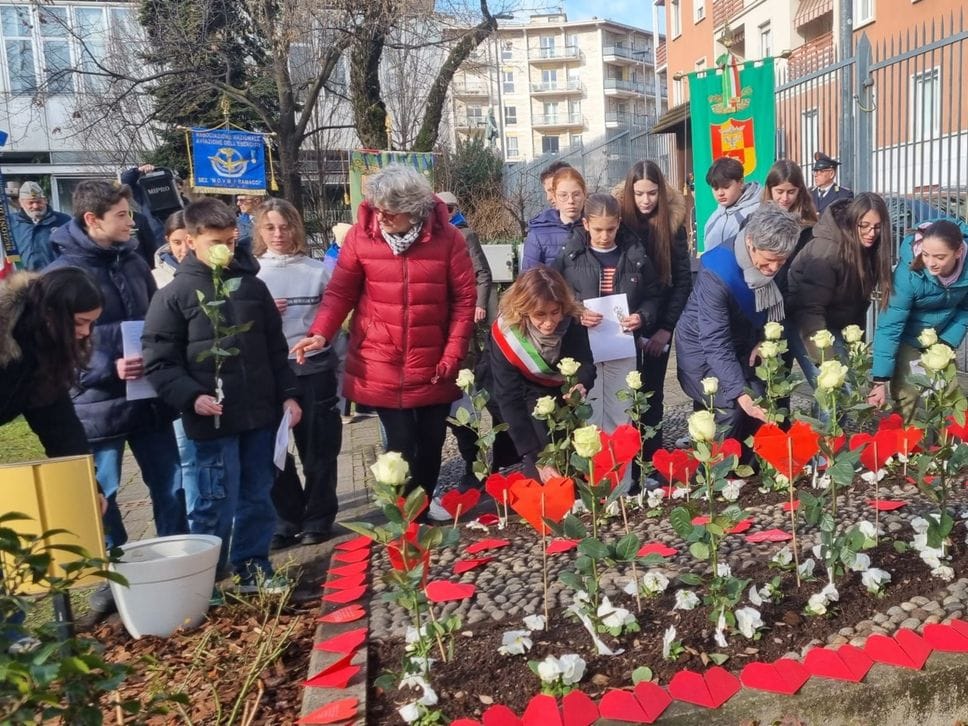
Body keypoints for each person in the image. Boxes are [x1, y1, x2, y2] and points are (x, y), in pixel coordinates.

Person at [291, 165, 476, 511]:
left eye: (391, 211)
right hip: (381, 357)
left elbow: (464, 301)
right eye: (378, 209)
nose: (383, 217)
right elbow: (340, 293)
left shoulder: (448, 239)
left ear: (415, 209)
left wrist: (453, 354)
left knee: (432, 439)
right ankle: (405, 509)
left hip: (434, 356)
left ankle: (422, 501)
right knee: (402, 441)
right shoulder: (361, 238)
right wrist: (320, 333)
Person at [142, 197, 302, 590]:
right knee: (213, 500)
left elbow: (274, 349)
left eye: (231, 241)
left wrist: (288, 393)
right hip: (210, 420)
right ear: (192, 239)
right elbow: (160, 360)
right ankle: (206, 579)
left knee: (257, 495)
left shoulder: (252, 287)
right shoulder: (174, 296)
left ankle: (252, 565)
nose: (225, 249)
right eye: (216, 241)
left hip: (259, 416)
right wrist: (191, 396)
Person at [46, 181, 186, 550]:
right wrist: (107, 370)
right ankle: (114, 571)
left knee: (171, 484)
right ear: (93, 219)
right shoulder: (60, 276)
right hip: (97, 407)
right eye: (122, 215)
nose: (130, 223)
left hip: (148, 399)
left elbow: (157, 320)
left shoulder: (135, 262)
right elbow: (52, 350)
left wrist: (159, 360)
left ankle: (178, 556)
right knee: (104, 491)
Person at [253, 198, 343, 548]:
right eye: (270, 227)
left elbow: (335, 320)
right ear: (260, 231)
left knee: (319, 448)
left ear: (296, 228)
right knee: (274, 451)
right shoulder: (252, 273)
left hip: (313, 368)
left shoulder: (318, 271)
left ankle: (319, 518)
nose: (278, 234)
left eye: (285, 226)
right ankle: (285, 517)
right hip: (269, 373)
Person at [676, 204, 801, 444]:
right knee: (732, 407)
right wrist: (739, 392)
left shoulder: (776, 259)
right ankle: (714, 474)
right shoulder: (718, 272)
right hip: (701, 348)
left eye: (781, 261)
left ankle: (748, 475)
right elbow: (715, 340)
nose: (773, 269)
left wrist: (766, 339)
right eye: (768, 261)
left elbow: (782, 305)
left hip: (744, 344)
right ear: (751, 242)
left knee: (763, 403)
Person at [553, 193, 661, 435]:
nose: (604, 236)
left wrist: (641, 316)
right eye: (598, 229)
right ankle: (592, 473)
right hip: (582, 346)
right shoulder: (569, 257)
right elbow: (554, 294)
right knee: (587, 417)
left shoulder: (635, 255)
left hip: (622, 346)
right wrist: (576, 311)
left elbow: (653, 295)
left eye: (610, 229)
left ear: (619, 223)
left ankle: (622, 473)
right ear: (586, 224)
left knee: (621, 416)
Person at [486, 266, 595, 482]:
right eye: (540, 315)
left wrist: (581, 382)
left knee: (571, 465)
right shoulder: (506, 334)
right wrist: (535, 457)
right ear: (524, 310)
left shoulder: (571, 319)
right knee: (540, 470)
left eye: (555, 312)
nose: (549, 322)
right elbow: (508, 398)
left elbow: (585, 362)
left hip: (561, 394)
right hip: (522, 396)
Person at [617, 160, 693, 467]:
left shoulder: (672, 224)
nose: (646, 200)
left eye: (652, 193)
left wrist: (666, 328)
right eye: (639, 194)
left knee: (652, 395)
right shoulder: (619, 222)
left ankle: (651, 461)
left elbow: (682, 281)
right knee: (622, 397)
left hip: (659, 322)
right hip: (623, 322)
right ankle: (624, 462)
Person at [786, 193, 893, 387]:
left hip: (834, 322)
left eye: (877, 227)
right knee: (833, 388)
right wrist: (826, 359)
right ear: (853, 221)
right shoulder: (827, 250)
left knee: (846, 390)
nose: (871, 233)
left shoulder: (872, 251)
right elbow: (809, 308)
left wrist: (854, 343)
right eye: (864, 225)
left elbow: (857, 305)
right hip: (804, 321)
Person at [869, 219, 968, 419]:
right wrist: (879, 380)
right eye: (925, 254)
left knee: (947, 394)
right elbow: (890, 325)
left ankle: (946, 446)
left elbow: (965, 309)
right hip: (908, 337)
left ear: (958, 252)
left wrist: (946, 342)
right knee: (908, 394)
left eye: (939, 257)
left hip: (941, 336)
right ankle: (908, 446)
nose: (930, 263)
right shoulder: (908, 274)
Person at [0, 268, 102, 460]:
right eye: (80, 322)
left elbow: (60, 427)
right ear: (50, 314)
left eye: (91, 323)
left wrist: (84, 479)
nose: (86, 332)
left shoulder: (45, 353)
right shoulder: (11, 338)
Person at [439, 190, 493, 490]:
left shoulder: (464, 236)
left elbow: (481, 274)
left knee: (466, 399)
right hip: (431, 334)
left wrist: (477, 305)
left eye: (447, 208)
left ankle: (475, 467)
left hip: (461, 332)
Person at [762, 159, 818, 295]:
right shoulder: (754, 221)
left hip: (795, 296)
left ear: (800, 191)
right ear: (770, 190)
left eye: (791, 192)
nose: (785, 198)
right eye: (779, 191)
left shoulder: (809, 229)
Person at [522, 167, 587, 270]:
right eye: (563, 195)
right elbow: (529, 280)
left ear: (584, 194)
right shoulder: (538, 234)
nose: (571, 201)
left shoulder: (596, 228)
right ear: (555, 197)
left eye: (576, 194)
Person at [702, 157, 762, 252]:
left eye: (726, 187)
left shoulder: (757, 213)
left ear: (741, 183)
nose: (720, 193)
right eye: (715, 188)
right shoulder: (714, 218)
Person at [9, 182, 70, 271]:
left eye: (39, 201)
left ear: (45, 200)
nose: (35, 206)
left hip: (54, 278)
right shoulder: (10, 223)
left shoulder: (64, 221)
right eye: (31, 203)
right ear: (21, 203)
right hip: (23, 280)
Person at [152, 211, 190, 288]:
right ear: (168, 241)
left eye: (190, 241)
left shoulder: (217, 271)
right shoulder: (154, 279)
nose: (185, 249)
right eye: (177, 243)